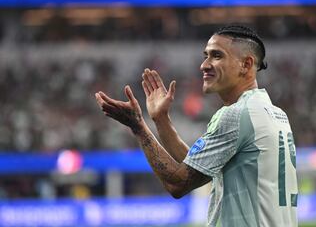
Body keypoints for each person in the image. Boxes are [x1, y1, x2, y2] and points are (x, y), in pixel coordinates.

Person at [95, 24, 298, 227]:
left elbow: (178, 183)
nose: (204, 65)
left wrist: (138, 127)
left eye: (216, 56)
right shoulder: (275, 114)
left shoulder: (236, 115)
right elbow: (196, 166)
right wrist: (161, 120)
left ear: (246, 64)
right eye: (205, 56)